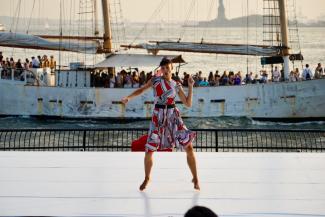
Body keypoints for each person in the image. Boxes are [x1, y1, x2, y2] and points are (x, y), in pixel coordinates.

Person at [121, 57, 200, 191]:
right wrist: (129, 97)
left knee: (189, 147)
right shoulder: (155, 80)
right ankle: (147, 178)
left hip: (173, 116)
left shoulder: (176, 85)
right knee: (149, 149)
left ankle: (196, 178)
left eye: (166, 67)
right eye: (162, 68)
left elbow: (188, 103)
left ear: (171, 68)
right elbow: (141, 90)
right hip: (158, 116)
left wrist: (191, 86)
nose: (164, 70)